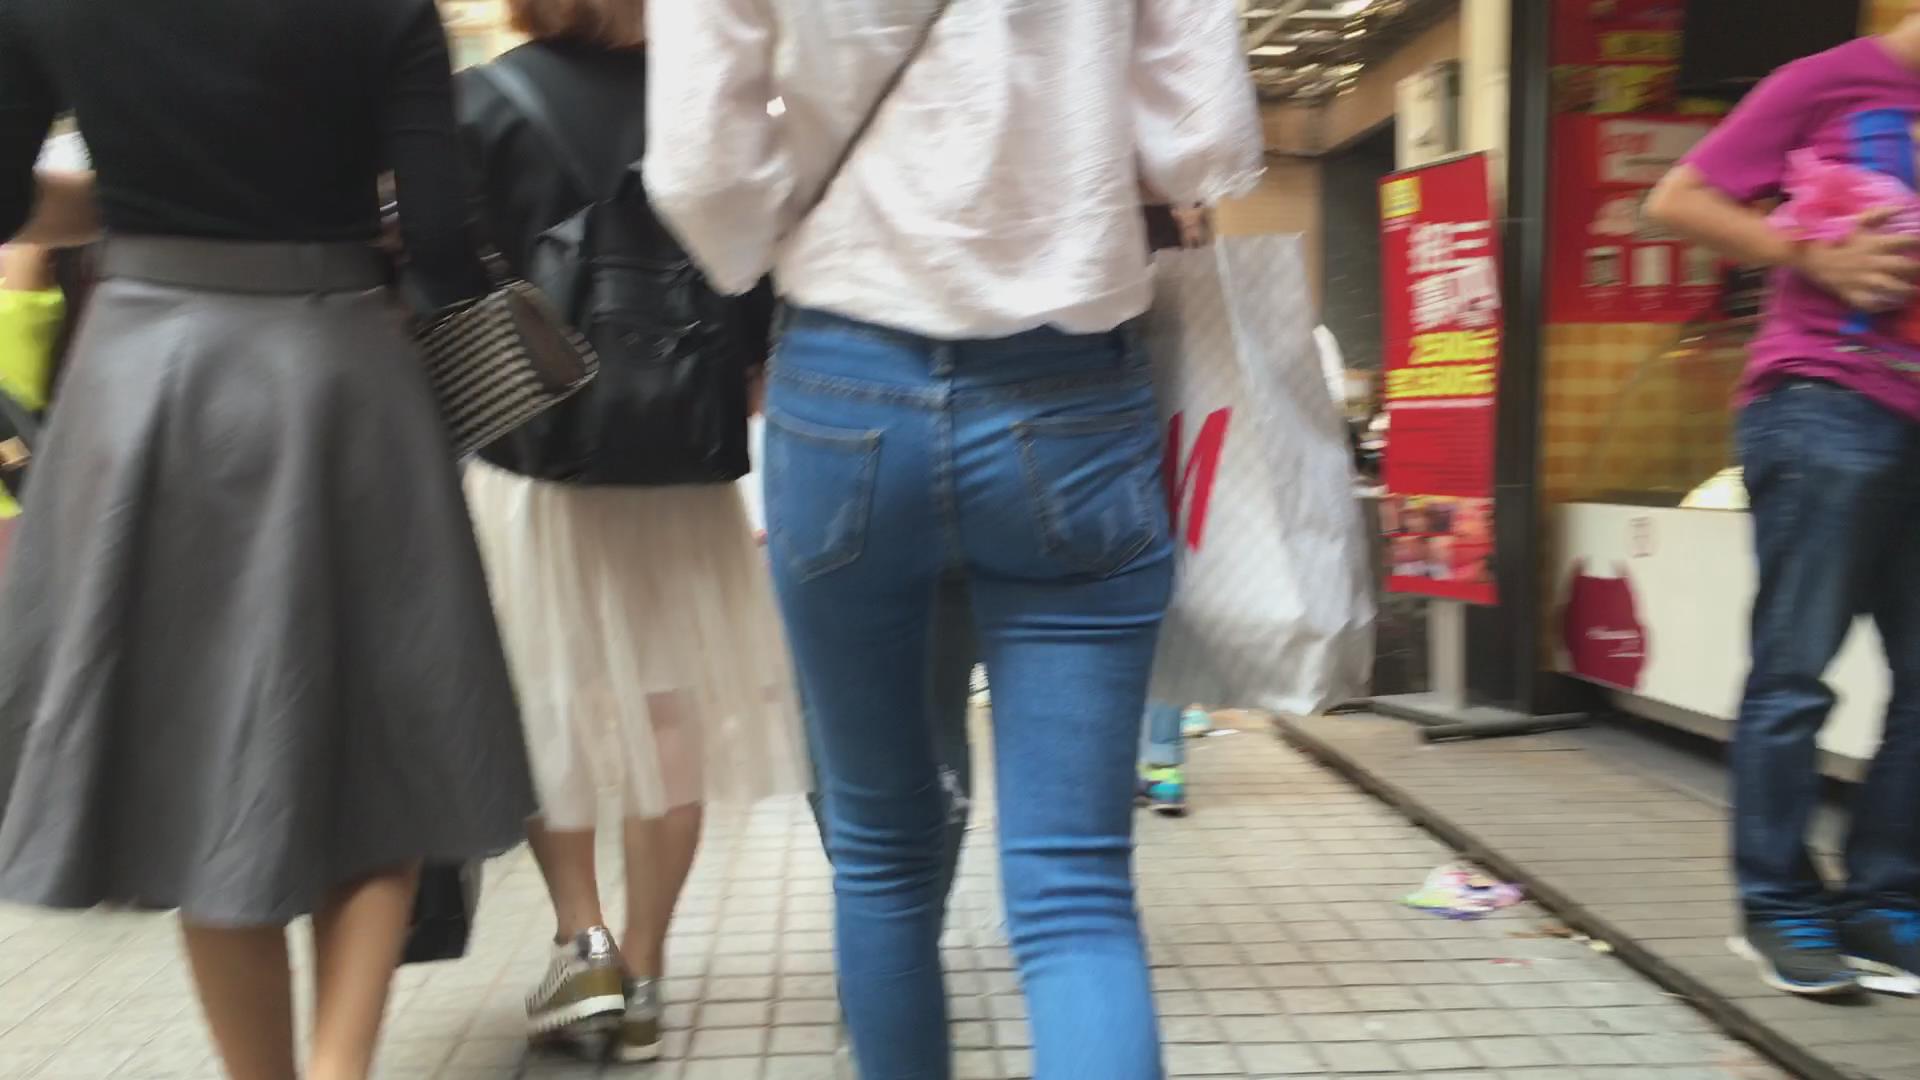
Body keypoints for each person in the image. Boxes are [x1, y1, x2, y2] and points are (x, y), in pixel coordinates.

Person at [645, 2, 1264, 1077]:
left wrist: (797, 231)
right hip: (1070, 391)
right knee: (1074, 893)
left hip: (843, 386)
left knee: (882, 858)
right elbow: (1203, 139)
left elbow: (703, 171)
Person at [0, 2, 537, 1078]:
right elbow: (442, 239)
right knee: (378, 756)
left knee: (197, 765)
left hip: (145, 382)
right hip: (342, 379)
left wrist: (143, 200)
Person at [457, 0, 806, 1061]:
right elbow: (752, 276)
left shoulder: (479, 105)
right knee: (669, 718)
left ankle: (586, 945)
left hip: (529, 456)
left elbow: (443, 278)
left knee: (544, 701)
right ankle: (647, 970)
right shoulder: (711, 98)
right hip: (681, 459)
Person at [1648, 11, 1920, 997]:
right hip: (1823, 402)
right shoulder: (1829, 79)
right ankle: (1779, 907)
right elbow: (1677, 197)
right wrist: (1809, 252)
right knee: (1796, 673)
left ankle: (1884, 904)